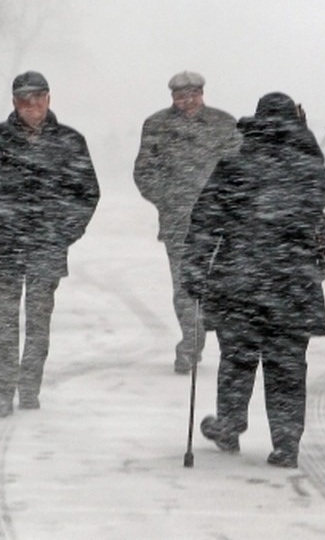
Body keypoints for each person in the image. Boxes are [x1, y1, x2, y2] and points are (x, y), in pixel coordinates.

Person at [181, 92, 325, 468]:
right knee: (288, 366)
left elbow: (204, 222)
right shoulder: (307, 169)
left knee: (238, 357)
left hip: (240, 278)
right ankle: (285, 442)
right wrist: (302, 131)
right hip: (291, 280)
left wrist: (195, 270)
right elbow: (318, 195)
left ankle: (230, 426)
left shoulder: (234, 167)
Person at [0, 70, 101, 417]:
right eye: (24, 101)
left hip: (46, 246)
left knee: (38, 320)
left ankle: (30, 386)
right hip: (2, 244)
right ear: (14, 103)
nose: (32, 107)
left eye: (38, 99)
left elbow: (87, 194)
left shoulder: (69, 142)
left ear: (49, 99)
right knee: (3, 319)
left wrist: (64, 231)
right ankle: (2, 390)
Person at [133, 71, 241, 375]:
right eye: (180, 97)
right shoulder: (157, 125)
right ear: (172, 98)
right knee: (184, 287)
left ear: (203, 94)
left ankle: (213, 334)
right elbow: (144, 171)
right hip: (178, 221)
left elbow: (240, 169)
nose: (187, 101)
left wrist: (227, 200)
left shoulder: (224, 123)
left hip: (220, 222)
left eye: (192, 95)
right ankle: (190, 345)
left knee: (218, 285)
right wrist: (168, 198)